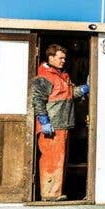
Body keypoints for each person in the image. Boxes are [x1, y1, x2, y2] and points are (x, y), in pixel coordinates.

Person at [31, 44, 89, 201]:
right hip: (53, 126)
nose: (64, 60)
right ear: (51, 58)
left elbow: (70, 94)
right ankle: (50, 195)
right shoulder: (44, 76)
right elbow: (37, 100)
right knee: (51, 161)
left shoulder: (62, 76)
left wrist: (84, 88)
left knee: (59, 160)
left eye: (64, 58)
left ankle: (55, 193)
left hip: (63, 125)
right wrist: (44, 121)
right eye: (60, 58)